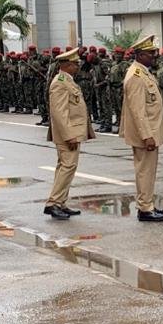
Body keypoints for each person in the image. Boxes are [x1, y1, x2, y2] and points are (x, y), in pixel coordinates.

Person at [120, 35, 163, 222]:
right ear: (140, 55)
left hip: (150, 132)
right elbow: (138, 110)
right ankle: (145, 208)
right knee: (145, 171)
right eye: (150, 53)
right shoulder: (136, 76)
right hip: (145, 134)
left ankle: (146, 204)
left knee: (148, 171)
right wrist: (147, 135)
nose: (154, 56)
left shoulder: (143, 72)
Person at [43, 48, 95, 220]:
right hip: (67, 134)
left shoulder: (68, 80)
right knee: (67, 167)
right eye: (75, 64)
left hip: (71, 132)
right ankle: (53, 203)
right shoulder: (60, 82)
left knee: (66, 167)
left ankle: (60, 202)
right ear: (67, 65)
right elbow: (59, 112)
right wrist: (69, 135)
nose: (78, 66)